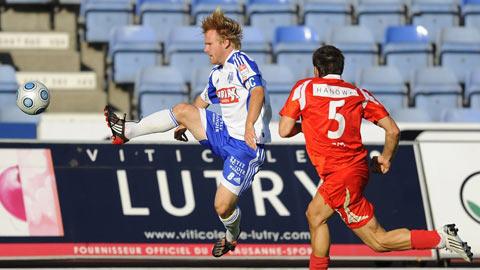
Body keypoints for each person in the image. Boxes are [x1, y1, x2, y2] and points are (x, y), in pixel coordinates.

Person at [278, 45, 473, 269]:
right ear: (341, 69)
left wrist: (307, 127)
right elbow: (393, 130)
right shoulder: (358, 94)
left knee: (378, 241)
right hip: (353, 169)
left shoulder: (305, 88)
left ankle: (440, 238)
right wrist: (385, 158)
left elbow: (284, 130)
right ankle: (441, 237)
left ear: (315, 70)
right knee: (314, 215)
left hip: (341, 175)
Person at [104, 9, 271, 257]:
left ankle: (231, 237)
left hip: (246, 147)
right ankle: (127, 131)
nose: (205, 49)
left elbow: (257, 92)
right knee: (183, 109)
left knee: (222, 206)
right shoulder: (218, 73)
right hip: (224, 133)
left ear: (225, 42)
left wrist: (249, 125)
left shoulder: (241, 62)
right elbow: (201, 102)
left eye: (208, 43)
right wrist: (184, 122)